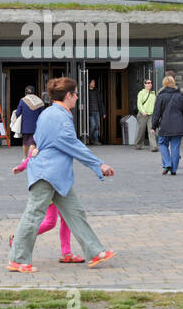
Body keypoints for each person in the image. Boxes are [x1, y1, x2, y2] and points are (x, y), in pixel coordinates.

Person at [8, 76, 116, 272]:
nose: (77, 97)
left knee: (75, 213)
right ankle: (18, 259)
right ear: (68, 95)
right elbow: (72, 144)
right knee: (33, 215)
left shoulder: (50, 113)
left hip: (56, 175)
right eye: (76, 94)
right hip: (47, 174)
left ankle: (94, 252)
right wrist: (98, 165)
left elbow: (39, 140)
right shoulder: (59, 116)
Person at [11, 144, 81, 262]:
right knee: (50, 223)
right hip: (49, 187)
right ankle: (19, 239)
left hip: (61, 184)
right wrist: (21, 167)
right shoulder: (43, 141)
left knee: (66, 219)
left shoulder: (58, 139)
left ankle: (66, 253)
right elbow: (32, 157)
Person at [151, 74, 183, 175]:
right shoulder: (180, 96)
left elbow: (156, 113)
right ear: (173, 83)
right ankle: (173, 170)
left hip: (165, 126)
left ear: (164, 83)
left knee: (162, 144)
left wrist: (153, 126)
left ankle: (167, 163)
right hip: (178, 126)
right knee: (175, 147)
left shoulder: (160, 96)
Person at [13, 85, 45, 151]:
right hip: (36, 126)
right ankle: (31, 156)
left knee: (25, 143)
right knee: (33, 143)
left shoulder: (22, 100)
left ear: (25, 93)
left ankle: (25, 156)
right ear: (34, 92)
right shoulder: (39, 101)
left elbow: (18, 113)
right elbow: (42, 114)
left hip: (25, 126)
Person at [134, 77, 157, 151]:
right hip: (142, 115)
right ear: (144, 84)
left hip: (151, 115)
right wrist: (142, 111)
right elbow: (139, 103)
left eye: (150, 83)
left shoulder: (153, 94)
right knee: (141, 131)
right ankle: (138, 144)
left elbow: (155, 104)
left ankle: (153, 147)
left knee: (151, 130)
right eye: (148, 83)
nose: (150, 84)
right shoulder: (141, 93)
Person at [87, 78, 103, 145]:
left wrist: (103, 112)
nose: (94, 83)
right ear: (89, 83)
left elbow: (100, 102)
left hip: (97, 111)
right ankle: (89, 138)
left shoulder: (96, 91)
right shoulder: (86, 91)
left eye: (94, 82)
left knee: (97, 126)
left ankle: (96, 140)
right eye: (92, 82)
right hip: (90, 111)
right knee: (93, 125)